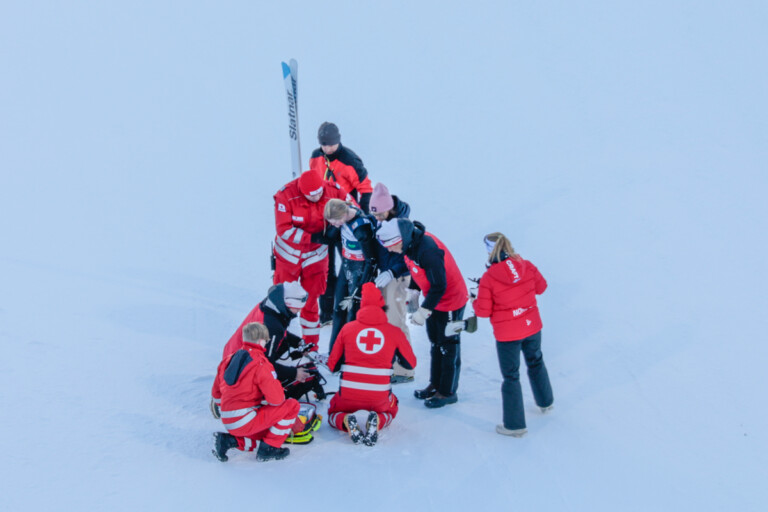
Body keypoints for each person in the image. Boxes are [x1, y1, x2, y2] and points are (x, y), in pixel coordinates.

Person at [376, 219, 468, 408]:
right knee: (435, 343)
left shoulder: (428, 249)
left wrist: (424, 310)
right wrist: (414, 291)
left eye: (391, 247)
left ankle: (447, 392)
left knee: (448, 346)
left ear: (399, 239)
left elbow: (440, 285)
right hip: (433, 299)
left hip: (450, 301)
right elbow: (416, 270)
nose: (391, 251)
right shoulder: (409, 245)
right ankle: (435, 384)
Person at [472, 232, 554, 438]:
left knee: (511, 376)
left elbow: (482, 311)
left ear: (489, 251)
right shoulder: (525, 264)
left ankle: (515, 425)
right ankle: (545, 402)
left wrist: (475, 298)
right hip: (531, 325)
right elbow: (541, 287)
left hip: (508, 334)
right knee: (536, 361)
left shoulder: (490, 277)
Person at [326, 283, 417, 446]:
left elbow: (332, 365)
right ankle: (379, 419)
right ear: (383, 306)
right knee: (392, 407)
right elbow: (411, 363)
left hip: (348, 394)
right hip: (379, 396)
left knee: (333, 411)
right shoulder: (394, 332)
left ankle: (345, 419)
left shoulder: (347, 328)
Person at [211, 281, 324, 409]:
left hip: (233, 353)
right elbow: (265, 364)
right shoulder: (272, 325)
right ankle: (242, 397)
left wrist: (297, 341)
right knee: (269, 377)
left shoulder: (273, 306)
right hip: (240, 364)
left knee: (281, 358)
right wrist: (294, 373)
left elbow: (279, 331)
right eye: (297, 308)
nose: (298, 311)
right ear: (287, 303)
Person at [273, 169, 348, 348]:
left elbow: (351, 210)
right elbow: (283, 229)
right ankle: (279, 344)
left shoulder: (334, 191)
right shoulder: (285, 196)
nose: (317, 197)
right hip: (288, 257)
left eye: (319, 193)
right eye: (311, 196)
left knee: (311, 301)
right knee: (284, 302)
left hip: (316, 258)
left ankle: (311, 347)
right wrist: (313, 237)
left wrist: (336, 230)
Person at [310, 122, 373, 326]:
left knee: (348, 266)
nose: (327, 149)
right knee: (324, 267)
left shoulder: (350, 161)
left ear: (338, 141)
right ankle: (326, 313)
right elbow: (313, 181)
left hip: (344, 220)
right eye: (323, 145)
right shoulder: (316, 156)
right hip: (325, 219)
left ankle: (348, 310)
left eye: (330, 145)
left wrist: (361, 215)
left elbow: (366, 188)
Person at [211, 322, 300, 462]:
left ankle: (229, 441)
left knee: (263, 434)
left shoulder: (228, 359)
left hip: (228, 419)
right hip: (245, 419)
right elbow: (277, 400)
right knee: (292, 405)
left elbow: (216, 394)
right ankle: (270, 448)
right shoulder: (260, 363)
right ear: (261, 340)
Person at [368, 183, 414, 383]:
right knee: (387, 321)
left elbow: (405, 255)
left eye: (380, 215)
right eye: (374, 215)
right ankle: (392, 361)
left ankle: (405, 369)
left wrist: (392, 271)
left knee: (396, 321)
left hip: (398, 277)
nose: (376, 219)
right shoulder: (380, 219)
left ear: (390, 209)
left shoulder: (401, 224)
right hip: (386, 274)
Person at [323, 198, 378, 350]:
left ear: (342, 215)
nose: (333, 225)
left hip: (359, 271)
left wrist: (361, 286)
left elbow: (371, 260)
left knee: (352, 314)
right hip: (346, 267)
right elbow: (330, 236)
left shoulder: (361, 228)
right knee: (338, 310)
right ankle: (333, 354)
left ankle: (349, 355)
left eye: (334, 221)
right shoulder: (344, 216)